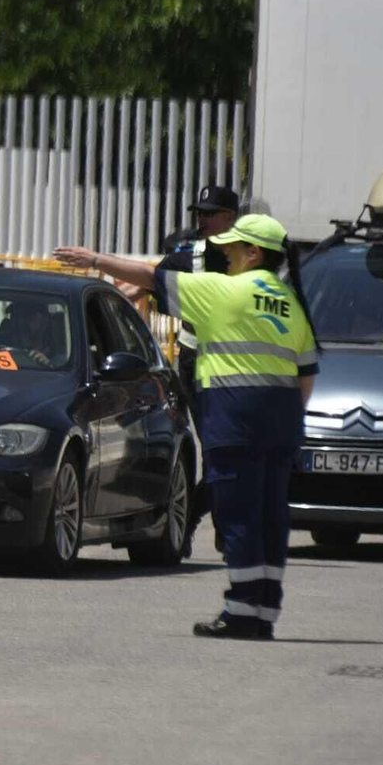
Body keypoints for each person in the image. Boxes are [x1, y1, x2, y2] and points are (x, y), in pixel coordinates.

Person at [53, 214, 319, 639]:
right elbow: (305, 378)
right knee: (271, 515)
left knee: (238, 515)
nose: (224, 253)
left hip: (235, 419)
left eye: (232, 248)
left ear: (253, 254)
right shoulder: (291, 302)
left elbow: (147, 275)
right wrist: (284, 419)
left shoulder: (222, 290)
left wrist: (95, 259)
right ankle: (265, 609)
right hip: (281, 423)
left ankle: (241, 612)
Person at [126, 185, 239, 551]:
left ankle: (194, 518)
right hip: (197, 363)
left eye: (209, 213)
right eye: (199, 213)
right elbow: (150, 279)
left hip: (241, 366)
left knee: (230, 452)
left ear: (230, 218)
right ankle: (215, 529)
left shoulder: (252, 255)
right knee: (217, 450)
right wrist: (130, 289)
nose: (201, 220)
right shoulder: (191, 255)